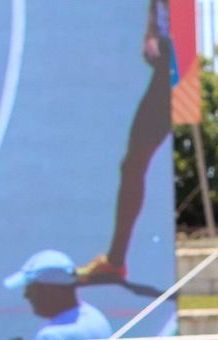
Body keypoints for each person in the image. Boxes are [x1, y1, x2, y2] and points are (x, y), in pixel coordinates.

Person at [76, 0, 174, 286]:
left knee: (135, 164)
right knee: (133, 164)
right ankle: (115, 262)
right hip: (166, 70)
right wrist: (152, 35)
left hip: (179, 70)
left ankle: (116, 261)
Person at [4, 250, 112, 340]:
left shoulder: (50, 336)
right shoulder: (97, 317)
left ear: (49, 290)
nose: (26, 296)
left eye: (30, 288)